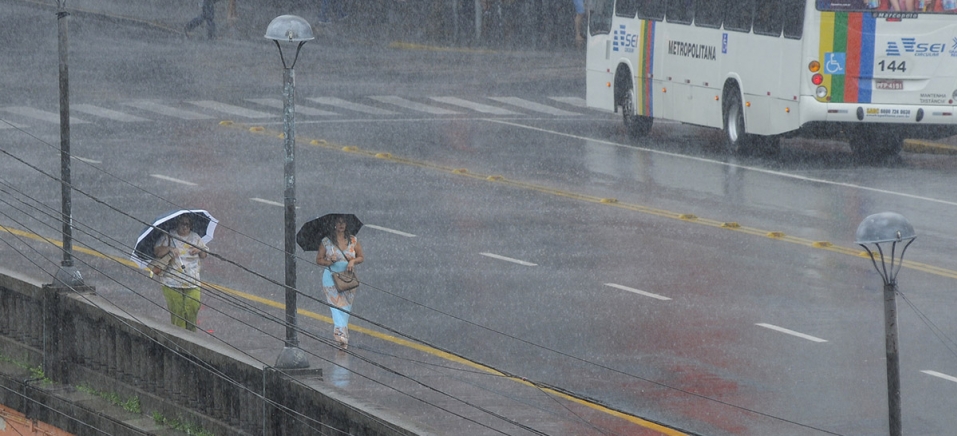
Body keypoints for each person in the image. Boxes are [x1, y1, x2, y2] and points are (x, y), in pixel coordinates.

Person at [315, 216, 364, 349]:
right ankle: (341, 336)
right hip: (331, 277)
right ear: (334, 225)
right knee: (336, 306)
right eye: (338, 222)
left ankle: (342, 333)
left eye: (343, 222)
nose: (341, 225)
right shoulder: (326, 241)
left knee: (346, 308)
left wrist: (352, 261)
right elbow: (319, 259)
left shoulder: (353, 240)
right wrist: (328, 262)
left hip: (348, 277)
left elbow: (361, 257)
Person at [153, 215, 208, 331]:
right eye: (182, 224)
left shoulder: (195, 237)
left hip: (192, 281)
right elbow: (157, 251)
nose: (184, 227)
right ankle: (180, 340)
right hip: (171, 282)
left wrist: (199, 249)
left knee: (192, 308)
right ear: (177, 224)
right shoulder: (169, 236)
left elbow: (204, 255)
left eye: (187, 224)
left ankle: (192, 337)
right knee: (178, 313)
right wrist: (169, 249)